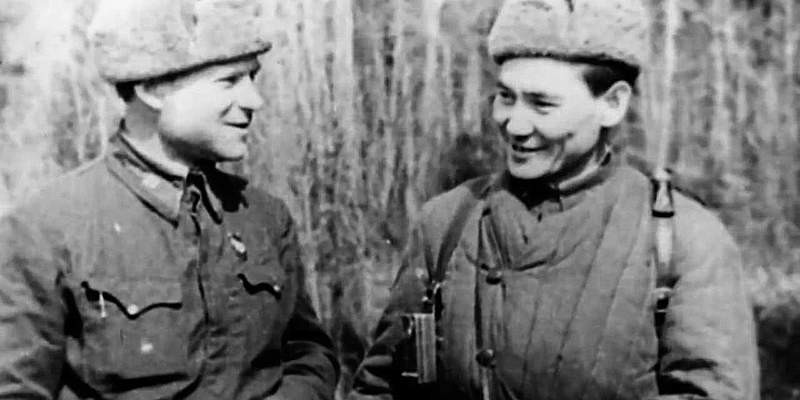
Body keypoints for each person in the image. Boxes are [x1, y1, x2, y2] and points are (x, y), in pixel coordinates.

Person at [348, 0, 759, 399]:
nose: (514, 124)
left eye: (542, 104)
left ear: (612, 104)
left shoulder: (682, 240)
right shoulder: (447, 222)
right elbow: (380, 387)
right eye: (505, 97)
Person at [0, 0, 339, 398]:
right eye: (229, 81)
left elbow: (308, 354)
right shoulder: (47, 227)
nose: (254, 100)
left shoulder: (264, 217)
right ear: (152, 90)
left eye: (252, 78)